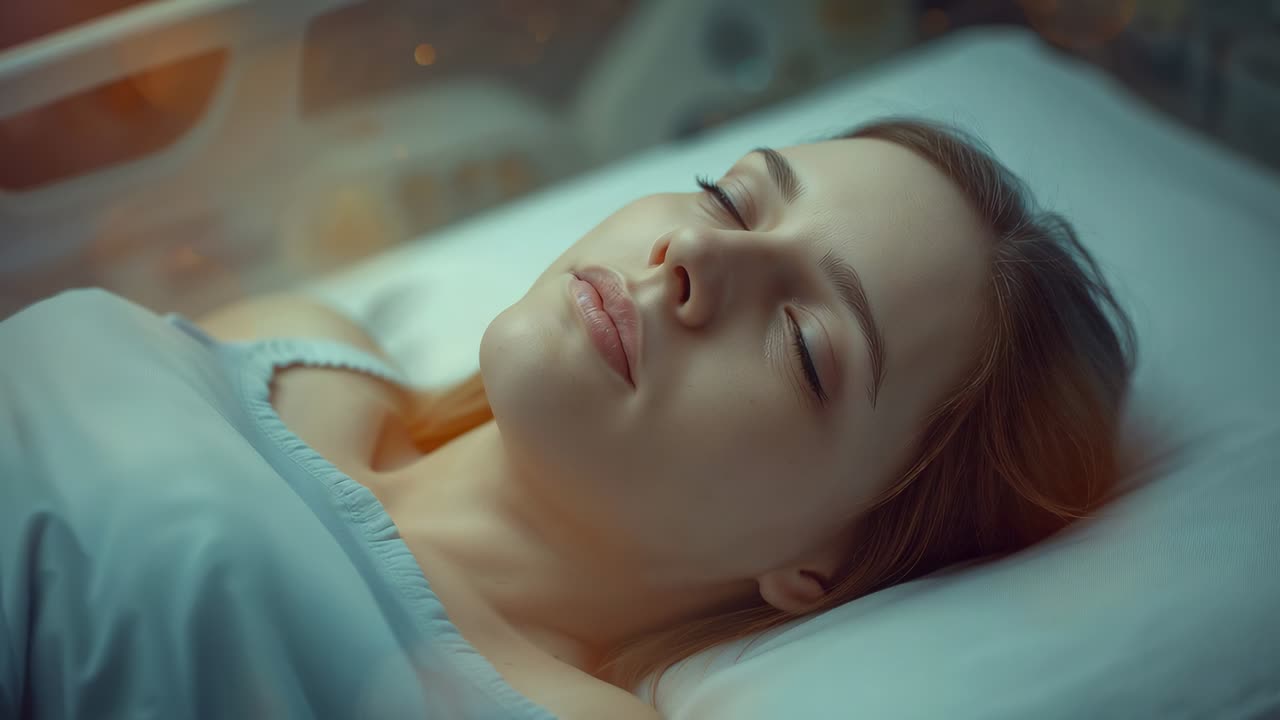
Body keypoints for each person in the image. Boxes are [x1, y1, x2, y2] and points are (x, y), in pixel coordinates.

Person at [0, 118, 1136, 719]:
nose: (694, 253)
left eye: (803, 343)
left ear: (820, 568)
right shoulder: (301, 342)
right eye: (731, 198)